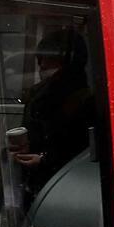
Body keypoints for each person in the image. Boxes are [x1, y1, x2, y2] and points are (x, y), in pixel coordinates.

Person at [12, 28, 97, 199]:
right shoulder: (37, 94)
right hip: (36, 184)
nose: (42, 65)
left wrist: (44, 160)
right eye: (40, 59)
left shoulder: (82, 100)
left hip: (63, 187)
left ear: (68, 63)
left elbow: (81, 150)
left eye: (50, 60)